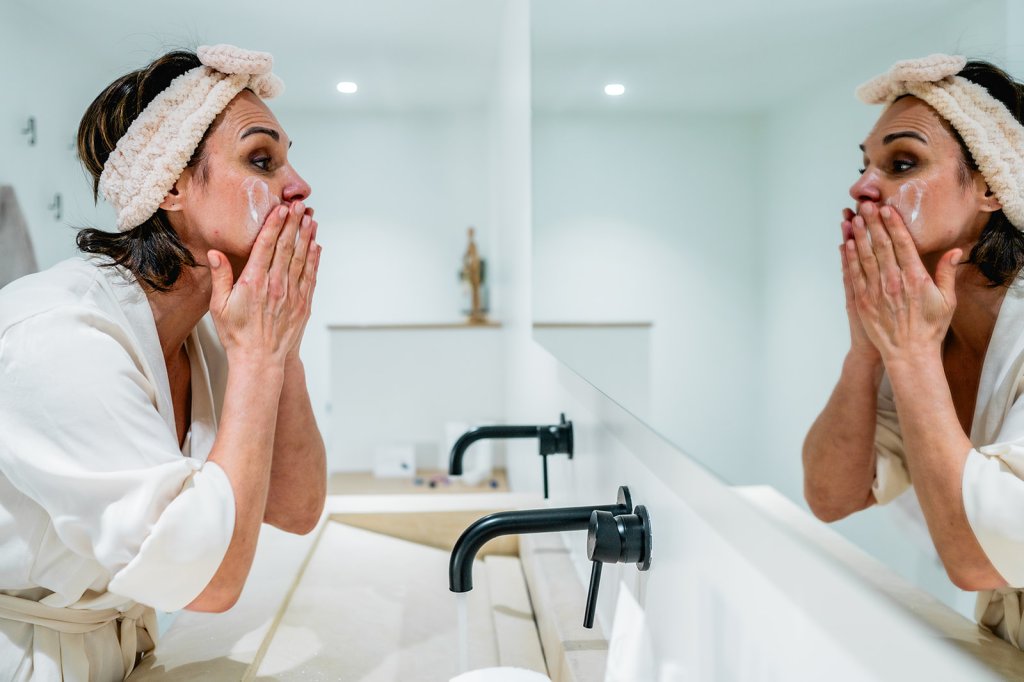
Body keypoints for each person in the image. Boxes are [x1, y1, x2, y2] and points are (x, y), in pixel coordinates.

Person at [0, 44, 326, 680]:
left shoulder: (208, 336)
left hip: (123, 649)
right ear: (170, 185)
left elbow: (296, 506)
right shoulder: (60, 335)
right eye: (262, 160)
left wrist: (280, 343)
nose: (299, 185)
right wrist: (260, 357)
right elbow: (207, 584)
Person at [802, 53, 1024, 648]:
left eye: (902, 163)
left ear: (991, 185)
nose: (861, 187)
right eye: (864, 165)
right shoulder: (925, 330)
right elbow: (830, 495)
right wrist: (866, 351)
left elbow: (979, 559)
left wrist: (908, 357)